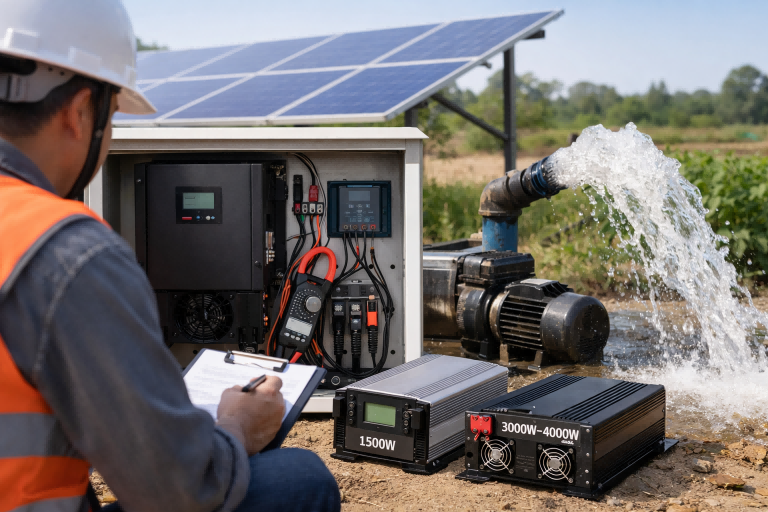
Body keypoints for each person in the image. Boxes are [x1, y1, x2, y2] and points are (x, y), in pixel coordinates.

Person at [0, 1, 340, 511]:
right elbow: (176, 488)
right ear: (79, 113)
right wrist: (236, 426)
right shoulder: (66, 253)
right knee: (301, 477)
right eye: (112, 117)